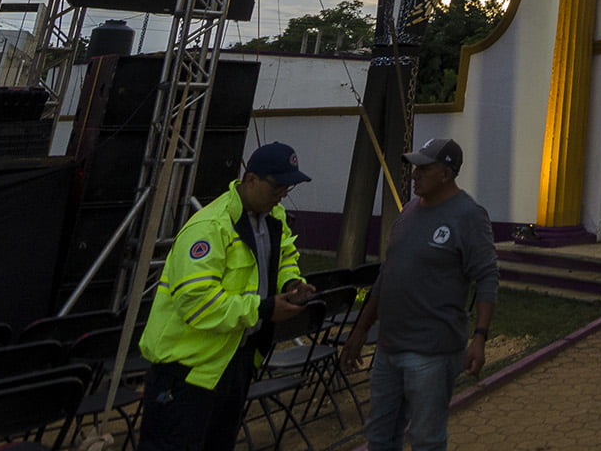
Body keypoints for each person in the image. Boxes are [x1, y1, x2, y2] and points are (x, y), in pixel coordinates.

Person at [139, 143, 316, 451]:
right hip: (188, 372)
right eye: (277, 186)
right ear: (251, 180)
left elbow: (284, 256)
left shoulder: (272, 217)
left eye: (288, 188)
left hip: (233, 362)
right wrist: (263, 309)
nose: (282, 195)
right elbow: (197, 303)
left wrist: (290, 283)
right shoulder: (210, 227)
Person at [342, 137, 498, 451]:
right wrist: (360, 331)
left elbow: (487, 277)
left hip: (432, 353)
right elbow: (387, 275)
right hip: (389, 348)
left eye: (424, 169)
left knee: (426, 439)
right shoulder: (409, 211)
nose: (415, 175)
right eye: (415, 168)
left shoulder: (468, 215)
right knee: (379, 435)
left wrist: (480, 337)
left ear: (446, 174)